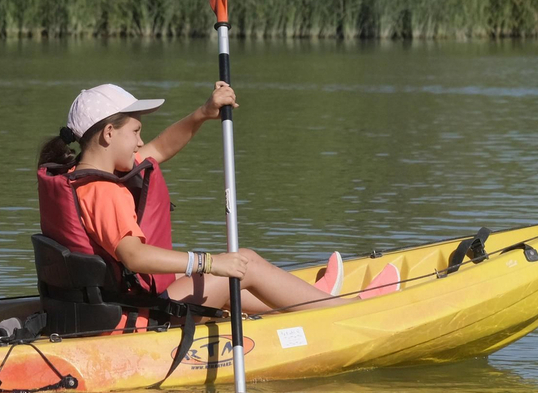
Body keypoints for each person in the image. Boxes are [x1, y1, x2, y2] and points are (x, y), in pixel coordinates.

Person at [36, 82, 343, 318]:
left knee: (220, 277)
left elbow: (160, 148)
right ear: (108, 134)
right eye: (136, 131)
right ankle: (343, 311)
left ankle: (305, 302)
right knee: (244, 263)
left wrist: (203, 113)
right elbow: (134, 257)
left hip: (110, 305)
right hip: (138, 314)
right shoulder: (106, 192)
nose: (141, 141)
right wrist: (208, 262)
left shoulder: (79, 175)